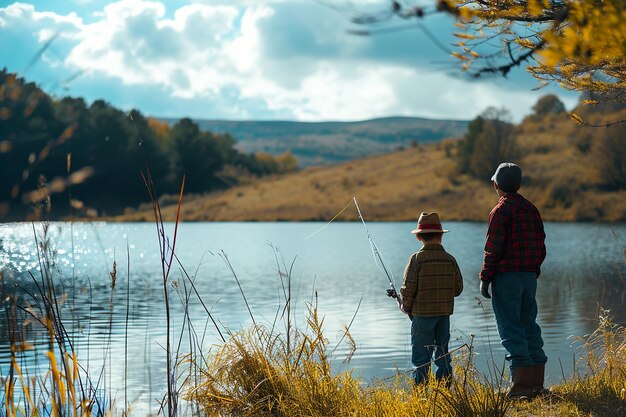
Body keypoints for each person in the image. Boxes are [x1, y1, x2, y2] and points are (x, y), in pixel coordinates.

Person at [479, 162, 548, 399]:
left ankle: (521, 388)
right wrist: (534, 269)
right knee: (530, 326)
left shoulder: (500, 211)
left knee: (511, 330)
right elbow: (541, 242)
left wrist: (485, 278)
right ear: (518, 185)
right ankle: (536, 384)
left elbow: (492, 248)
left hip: (506, 277)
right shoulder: (531, 208)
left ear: (496, 185)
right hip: (529, 277)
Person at [398, 212, 464, 386]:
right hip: (444, 316)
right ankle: (444, 390)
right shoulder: (450, 260)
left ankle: (420, 394)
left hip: (421, 317)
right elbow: (458, 290)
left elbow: (408, 289)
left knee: (421, 357)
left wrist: (405, 305)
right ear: (441, 236)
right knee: (443, 354)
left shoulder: (416, 259)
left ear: (418, 237)